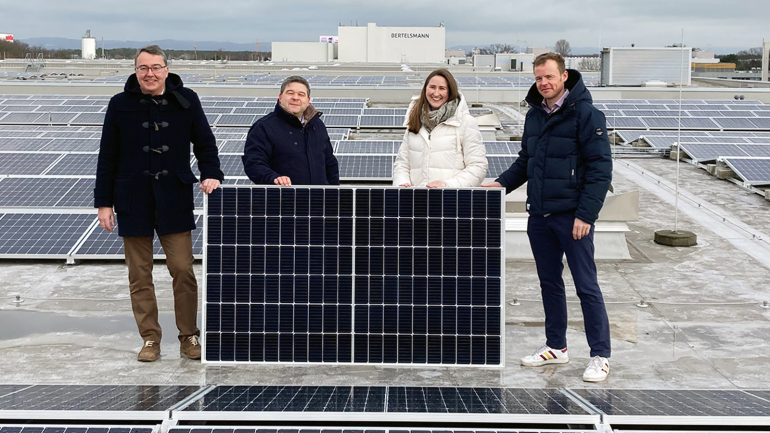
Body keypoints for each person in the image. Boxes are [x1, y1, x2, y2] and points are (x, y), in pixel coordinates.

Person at [482, 53, 613, 382]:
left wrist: (586, 214)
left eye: (549, 77)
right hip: (539, 216)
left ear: (564, 76)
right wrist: (500, 185)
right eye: (539, 78)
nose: (543, 83)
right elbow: (526, 161)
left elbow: (600, 170)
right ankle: (556, 347)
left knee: (586, 287)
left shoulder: (586, 114)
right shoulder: (535, 116)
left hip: (572, 217)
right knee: (549, 284)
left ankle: (600, 355)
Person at [94, 45, 223, 362]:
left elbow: (205, 143)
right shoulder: (119, 104)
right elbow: (107, 157)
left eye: (155, 67)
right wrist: (104, 203)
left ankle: (189, 335)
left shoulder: (187, 100)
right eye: (142, 68)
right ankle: (150, 339)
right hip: (131, 198)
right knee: (139, 275)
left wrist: (212, 174)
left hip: (174, 197)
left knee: (182, 270)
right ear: (135, 71)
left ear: (167, 70)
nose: (149, 73)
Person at [393, 69, 487, 188]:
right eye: (432, 87)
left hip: (450, 201)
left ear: (450, 91)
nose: (436, 93)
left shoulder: (465, 123)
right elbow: (402, 163)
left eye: (442, 88)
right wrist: (402, 183)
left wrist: (447, 185)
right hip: (416, 200)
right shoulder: (414, 119)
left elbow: (478, 166)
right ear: (425, 89)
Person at [242, 76, 339, 186]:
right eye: (290, 93)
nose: (295, 98)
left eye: (301, 94)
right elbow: (254, 163)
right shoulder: (264, 127)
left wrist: (334, 194)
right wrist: (274, 178)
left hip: (319, 200)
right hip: (282, 200)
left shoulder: (317, 125)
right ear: (280, 97)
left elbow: (330, 163)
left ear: (308, 101)